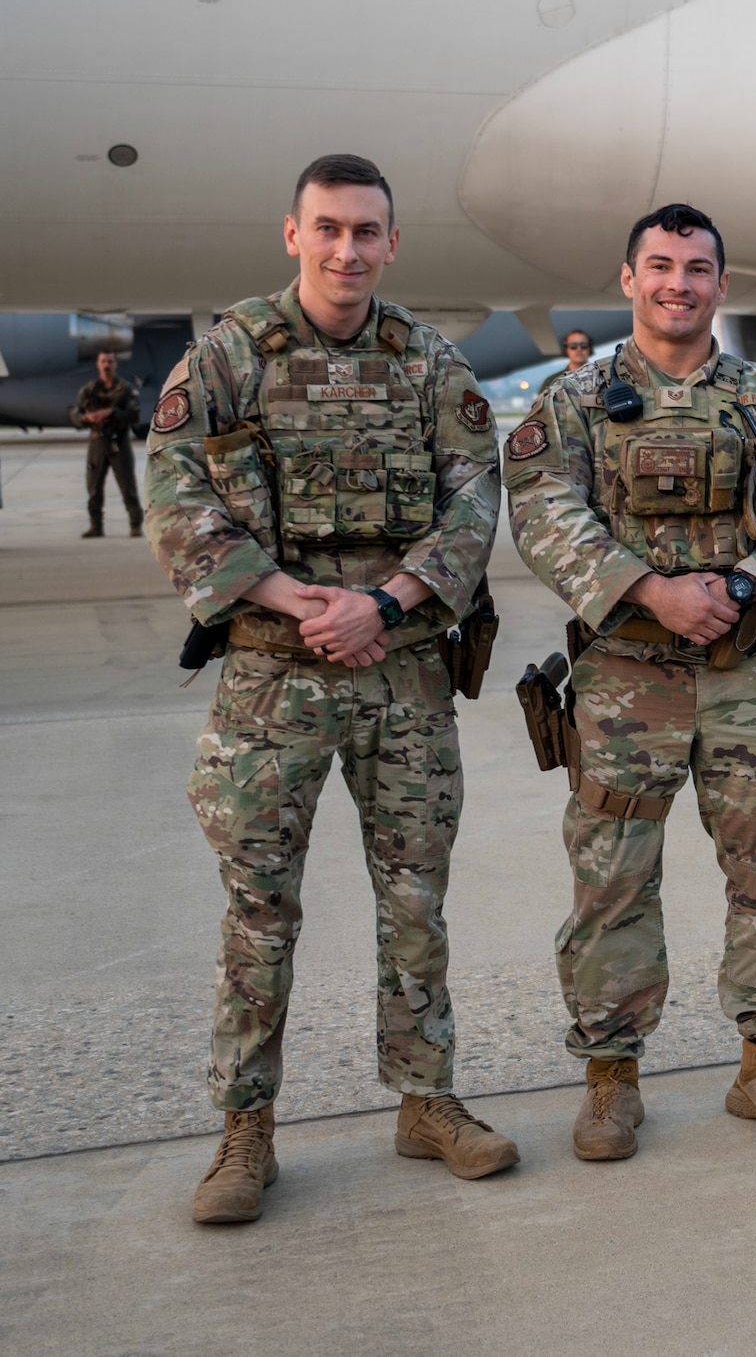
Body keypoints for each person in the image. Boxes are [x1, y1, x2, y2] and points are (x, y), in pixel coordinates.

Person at [143, 153, 518, 1225]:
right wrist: (293, 597)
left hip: (399, 672)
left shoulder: (427, 364)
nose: (347, 250)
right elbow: (174, 498)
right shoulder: (224, 358)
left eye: (367, 232)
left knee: (415, 903)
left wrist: (385, 604)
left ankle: (426, 1100)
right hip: (272, 678)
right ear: (292, 233)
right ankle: (244, 1131)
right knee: (259, 912)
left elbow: (470, 505)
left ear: (392, 243)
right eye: (328, 229)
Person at [505, 203, 756, 1158]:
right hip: (623, 685)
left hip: (748, 677)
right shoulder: (574, 401)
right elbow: (540, 507)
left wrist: (743, 585)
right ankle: (612, 1078)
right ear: (628, 280)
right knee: (612, 880)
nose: (678, 284)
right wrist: (650, 592)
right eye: (659, 266)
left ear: (721, 286)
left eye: (697, 269)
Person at [72, 349, 144, 537]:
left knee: (127, 486)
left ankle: (135, 524)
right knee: (93, 488)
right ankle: (96, 526)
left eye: (110, 361)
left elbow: (135, 415)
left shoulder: (125, 389)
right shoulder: (89, 390)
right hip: (97, 441)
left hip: (119, 441)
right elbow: (75, 414)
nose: (106, 365)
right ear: (98, 364)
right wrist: (88, 418)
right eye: (103, 361)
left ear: (115, 363)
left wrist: (112, 413)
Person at [539, 328, 594, 393]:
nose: (579, 349)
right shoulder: (552, 382)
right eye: (573, 346)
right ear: (566, 349)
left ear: (589, 348)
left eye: (583, 345)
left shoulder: (601, 374)